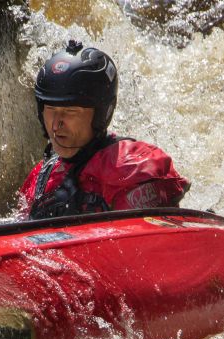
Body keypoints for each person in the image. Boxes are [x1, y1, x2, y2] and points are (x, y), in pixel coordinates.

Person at [18, 40, 189, 220]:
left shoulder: (131, 167)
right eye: (51, 110)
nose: (56, 124)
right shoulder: (40, 177)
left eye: (70, 112)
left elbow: (151, 237)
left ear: (101, 114)